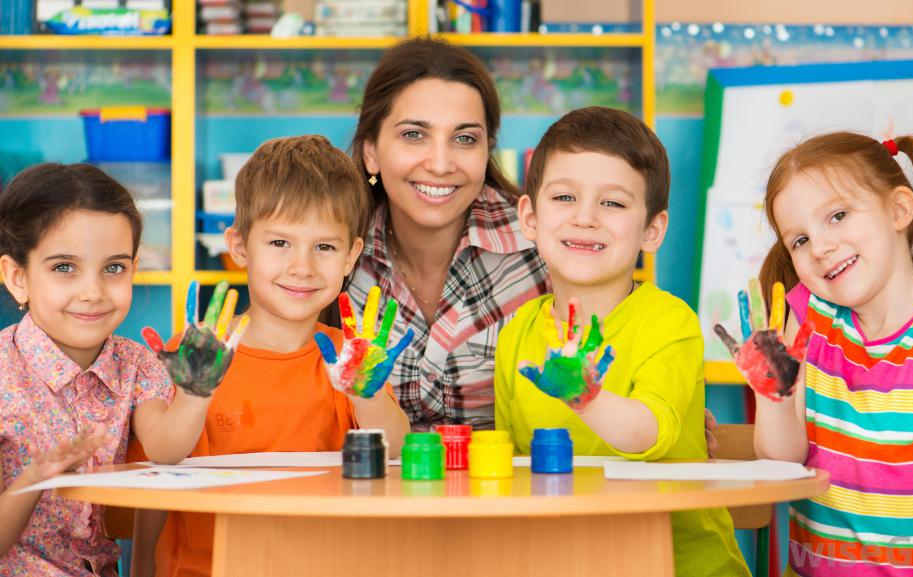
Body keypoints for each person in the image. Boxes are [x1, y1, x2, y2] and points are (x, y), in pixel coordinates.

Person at [131, 135, 411, 577]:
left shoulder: (349, 359)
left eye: (324, 246)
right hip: (206, 569)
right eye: (280, 243)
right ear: (239, 246)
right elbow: (159, 463)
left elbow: (394, 450)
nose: (302, 266)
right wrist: (194, 395)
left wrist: (367, 393)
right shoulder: (197, 355)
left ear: (351, 256)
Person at [494, 107, 751, 577]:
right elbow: (515, 470)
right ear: (530, 217)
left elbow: (648, 435)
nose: (586, 217)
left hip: (682, 564)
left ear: (652, 229)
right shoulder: (515, 334)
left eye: (612, 203)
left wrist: (583, 396)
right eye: (565, 197)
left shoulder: (669, 322)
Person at [746, 132, 913, 575]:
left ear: (900, 208)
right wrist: (774, 397)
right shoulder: (808, 323)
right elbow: (781, 461)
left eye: (838, 216)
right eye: (799, 240)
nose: (820, 247)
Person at [0, 163, 217, 576]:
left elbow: (165, 450)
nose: (93, 292)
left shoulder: (136, 363)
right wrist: (38, 474)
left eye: (113, 268)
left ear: (133, 268)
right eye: (64, 267)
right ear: (17, 277)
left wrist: (194, 393)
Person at [326, 37, 549, 431]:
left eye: (464, 139)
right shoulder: (331, 250)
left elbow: (620, 351)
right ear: (371, 150)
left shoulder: (542, 245)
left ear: (487, 151)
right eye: (414, 134)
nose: (441, 164)